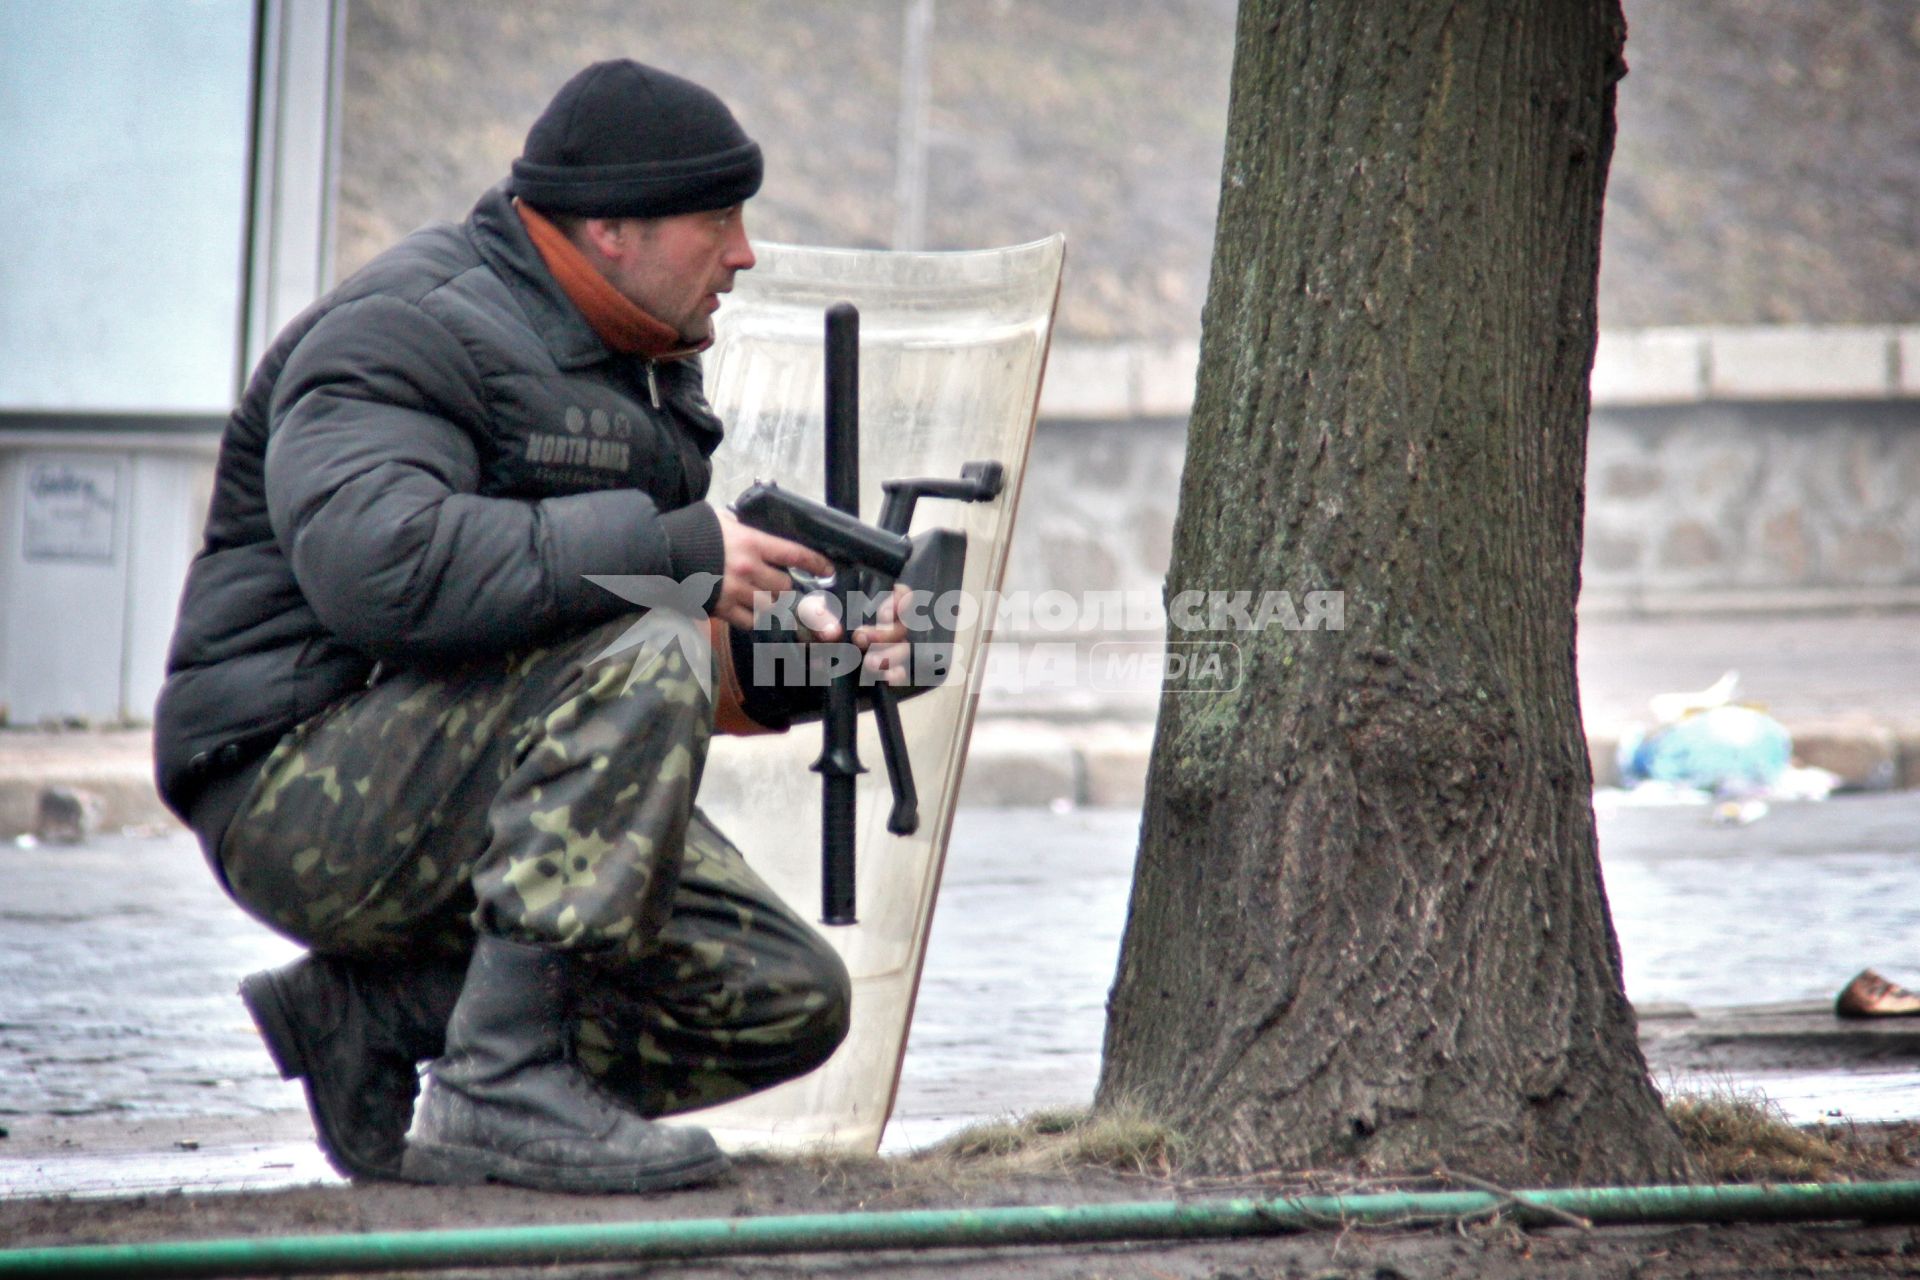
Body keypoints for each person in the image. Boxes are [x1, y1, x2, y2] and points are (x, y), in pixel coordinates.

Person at [154, 59, 907, 1193]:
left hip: (452, 778)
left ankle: (373, 1016)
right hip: (290, 786)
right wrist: (671, 551)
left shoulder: (630, 365)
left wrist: (822, 657)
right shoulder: (404, 331)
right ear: (610, 229)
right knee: (644, 643)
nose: (743, 254)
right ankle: (501, 1086)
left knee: (780, 994)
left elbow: (607, 640)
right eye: (719, 220)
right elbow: (384, 569)